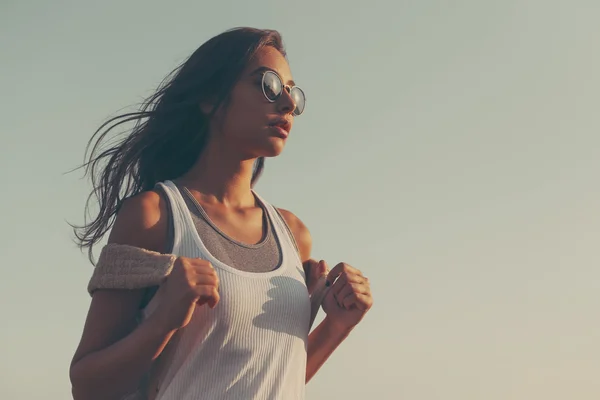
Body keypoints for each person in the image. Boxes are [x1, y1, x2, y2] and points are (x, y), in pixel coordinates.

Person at [69, 27, 373, 400]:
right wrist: (164, 320)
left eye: (292, 93)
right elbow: (87, 387)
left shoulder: (294, 234)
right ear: (210, 98)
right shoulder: (154, 216)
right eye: (269, 85)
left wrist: (338, 325)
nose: (288, 104)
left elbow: (274, 378)